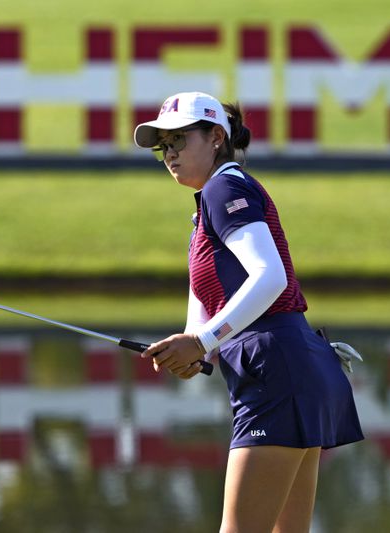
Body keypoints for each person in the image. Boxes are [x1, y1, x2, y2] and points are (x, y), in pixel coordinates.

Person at [133, 91, 364, 533]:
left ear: (216, 136)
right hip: (290, 368)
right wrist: (192, 350)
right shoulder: (206, 208)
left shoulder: (225, 186)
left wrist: (201, 343)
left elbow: (269, 277)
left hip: (278, 370)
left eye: (179, 139)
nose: (170, 154)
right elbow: (203, 311)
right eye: (163, 145)